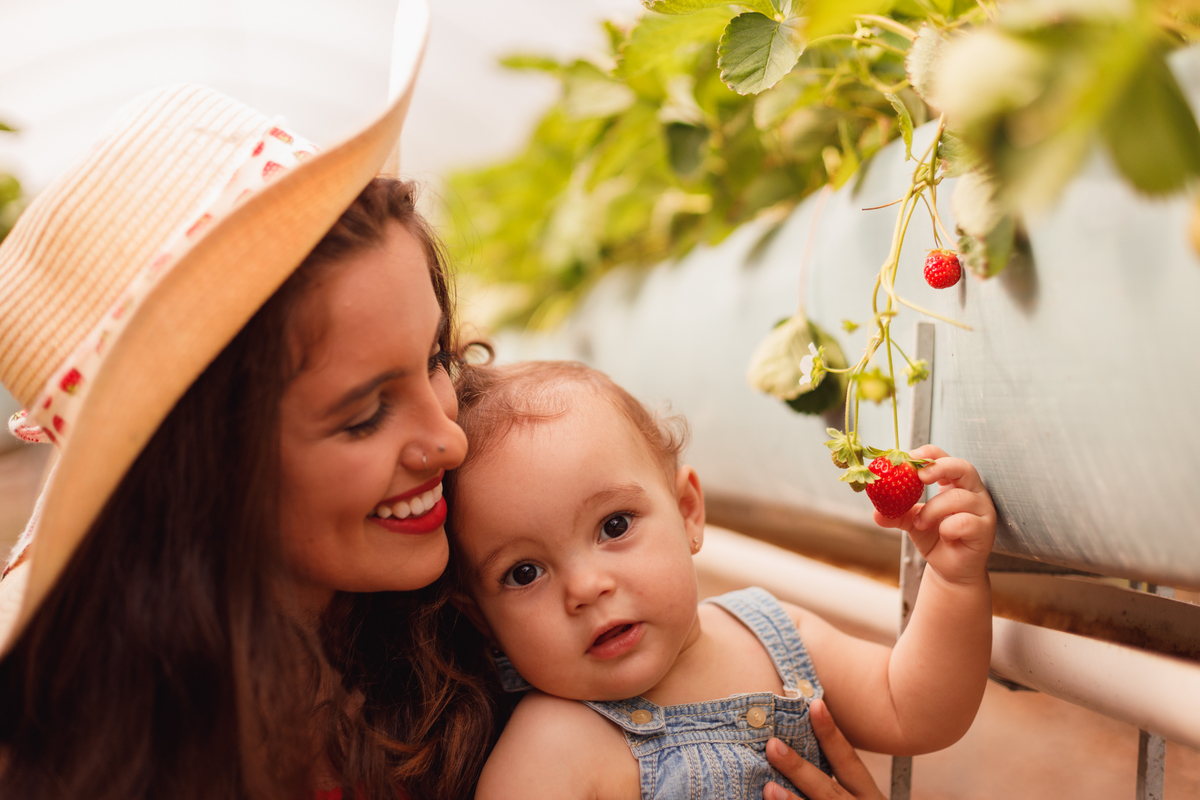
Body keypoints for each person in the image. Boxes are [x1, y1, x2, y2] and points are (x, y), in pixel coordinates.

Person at [0, 7, 502, 795]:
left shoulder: (496, 597)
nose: (450, 439)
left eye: (436, 357)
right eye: (365, 415)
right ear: (197, 473)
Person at [444, 360, 997, 800]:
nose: (586, 588)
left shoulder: (774, 635)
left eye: (613, 526)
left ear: (687, 512)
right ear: (482, 618)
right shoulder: (550, 750)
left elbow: (915, 710)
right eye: (524, 573)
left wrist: (952, 581)